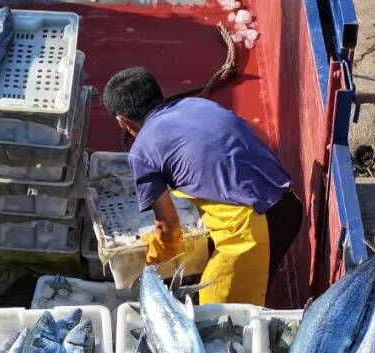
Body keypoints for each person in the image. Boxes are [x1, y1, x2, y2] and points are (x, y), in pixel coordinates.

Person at [102, 66, 303, 306]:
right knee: (253, 295)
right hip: (289, 204)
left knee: (218, 316)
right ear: (159, 94)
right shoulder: (197, 105)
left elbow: (169, 229)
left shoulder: (142, 152)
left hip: (252, 231)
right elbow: (260, 136)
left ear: (122, 121)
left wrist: (150, 265)